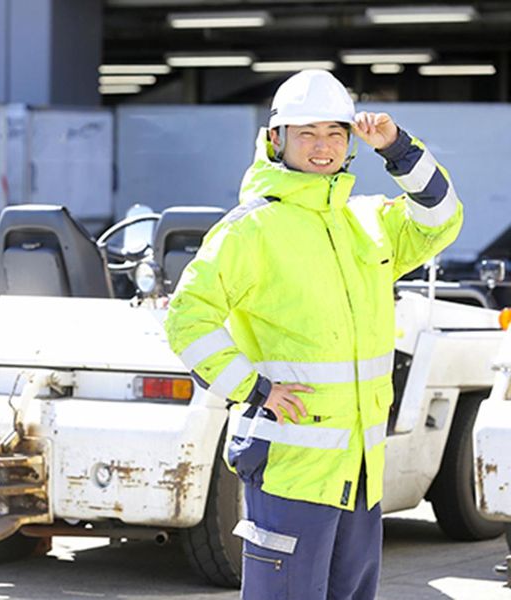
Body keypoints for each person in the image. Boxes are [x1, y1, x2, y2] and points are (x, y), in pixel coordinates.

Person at [164, 69, 462, 600]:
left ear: (350, 142)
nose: (322, 147)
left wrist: (397, 149)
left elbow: (441, 218)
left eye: (334, 133)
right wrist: (254, 389)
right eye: (307, 133)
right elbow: (188, 316)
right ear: (276, 139)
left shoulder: (366, 223)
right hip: (292, 470)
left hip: (361, 471)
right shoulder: (250, 230)